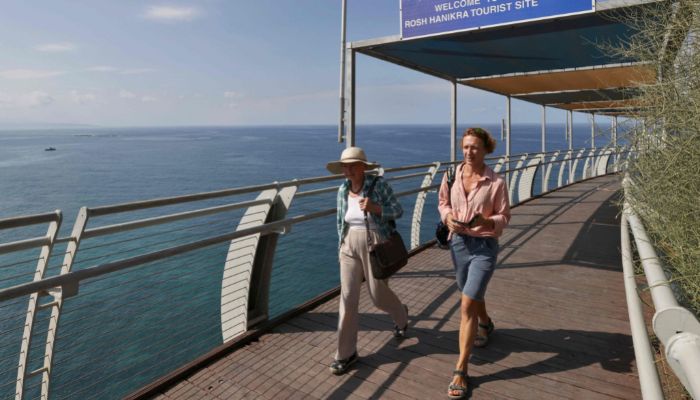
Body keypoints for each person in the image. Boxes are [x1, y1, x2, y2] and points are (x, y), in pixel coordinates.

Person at [438, 128, 511, 399]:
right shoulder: (450, 175)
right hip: (458, 243)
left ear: (486, 150)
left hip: (484, 246)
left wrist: (487, 221)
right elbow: (443, 203)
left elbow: (505, 216)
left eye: (475, 148)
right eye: (466, 147)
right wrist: (447, 218)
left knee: (466, 302)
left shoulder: (496, 182)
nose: (469, 152)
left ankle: (461, 370)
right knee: (470, 291)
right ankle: (486, 323)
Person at [326, 146, 409, 375]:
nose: (348, 170)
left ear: (364, 166)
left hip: (375, 242)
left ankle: (401, 315)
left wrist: (374, 208)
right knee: (347, 299)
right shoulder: (342, 189)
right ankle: (346, 353)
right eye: (345, 166)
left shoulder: (378, 185)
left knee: (377, 296)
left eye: (353, 165)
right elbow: (340, 221)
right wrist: (341, 246)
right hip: (349, 245)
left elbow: (398, 210)